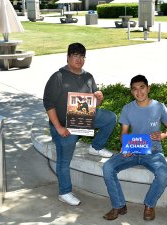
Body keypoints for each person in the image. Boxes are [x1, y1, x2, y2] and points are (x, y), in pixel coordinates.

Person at [43, 43, 116, 206]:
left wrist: (98, 99)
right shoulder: (58, 77)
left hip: (82, 119)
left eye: (82, 56)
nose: (79, 59)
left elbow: (92, 105)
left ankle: (96, 147)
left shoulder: (88, 77)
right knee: (64, 158)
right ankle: (65, 192)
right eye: (75, 56)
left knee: (110, 118)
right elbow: (48, 104)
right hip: (63, 125)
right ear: (68, 57)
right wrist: (59, 127)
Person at [102, 75, 167, 221]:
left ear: (148, 88)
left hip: (154, 151)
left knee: (163, 174)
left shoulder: (159, 107)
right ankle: (118, 205)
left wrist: (163, 135)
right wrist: (125, 147)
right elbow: (124, 133)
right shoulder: (128, 109)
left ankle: (149, 205)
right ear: (131, 92)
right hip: (133, 149)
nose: (139, 92)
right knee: (108, 167)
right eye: (135, 89)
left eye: (142, 87)